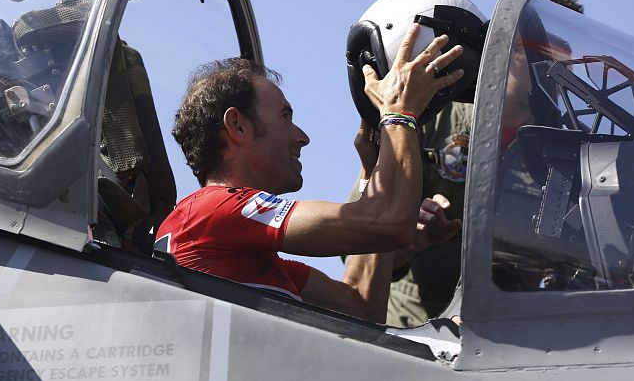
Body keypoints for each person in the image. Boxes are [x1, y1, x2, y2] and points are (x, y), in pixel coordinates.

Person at [155, 25, 463, 322]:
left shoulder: (232, 240)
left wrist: (372, 172)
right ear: (237, 126)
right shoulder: (215, 211)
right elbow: (389, 223)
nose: (302, 136)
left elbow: (361, 306)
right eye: (285, 117)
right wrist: (400, 111)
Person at [348, 0, 584, 328]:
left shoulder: (569, 155)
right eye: (545, 55)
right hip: (411, 330)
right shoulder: (428, 115)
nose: (557, 73)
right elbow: (352, 243)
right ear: (506, 48)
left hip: (509, 334)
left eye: (566, 60)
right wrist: (412, 238)